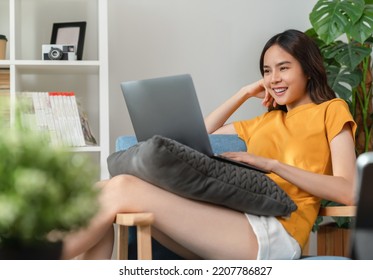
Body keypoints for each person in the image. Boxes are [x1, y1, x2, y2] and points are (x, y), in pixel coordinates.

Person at [61, 29, 357, 260]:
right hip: (232, 224)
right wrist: (242, 94)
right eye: (267, 71)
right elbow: (188, 138)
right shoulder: (261, 123)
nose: (274, 79)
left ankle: (29, 261)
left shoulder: (331, 110)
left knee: (123, 187)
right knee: (103, 190)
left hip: (275, 235)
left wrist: (273, 165)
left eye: (283, 68)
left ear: (308, 69)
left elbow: (347, 190)